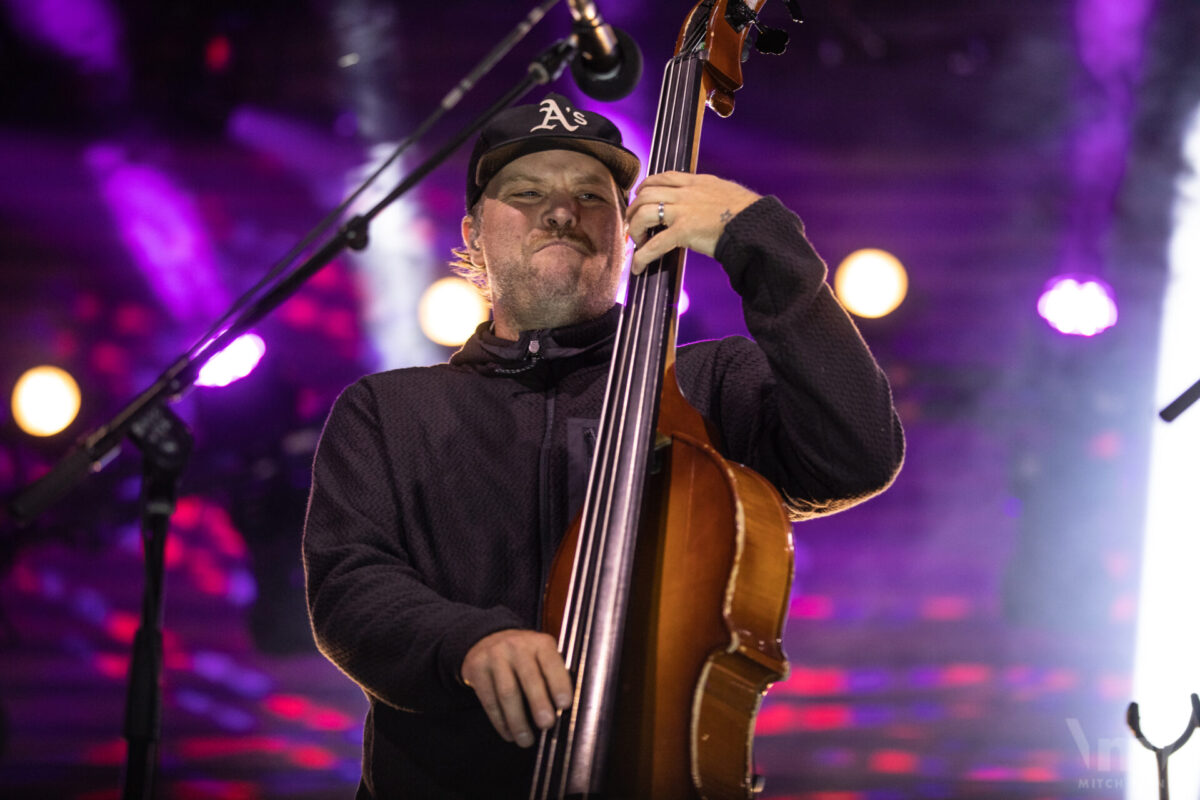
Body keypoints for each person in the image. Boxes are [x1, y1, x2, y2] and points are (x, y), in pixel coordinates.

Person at [302, 93, 904, 799]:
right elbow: (349, 588)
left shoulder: (706, 384)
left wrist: (757, 240)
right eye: (525, 192)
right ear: (472, 234)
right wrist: (466, 641)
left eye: (592, 195)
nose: (561, 211)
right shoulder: (388, 410)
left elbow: (857, 454)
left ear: (627, 231)